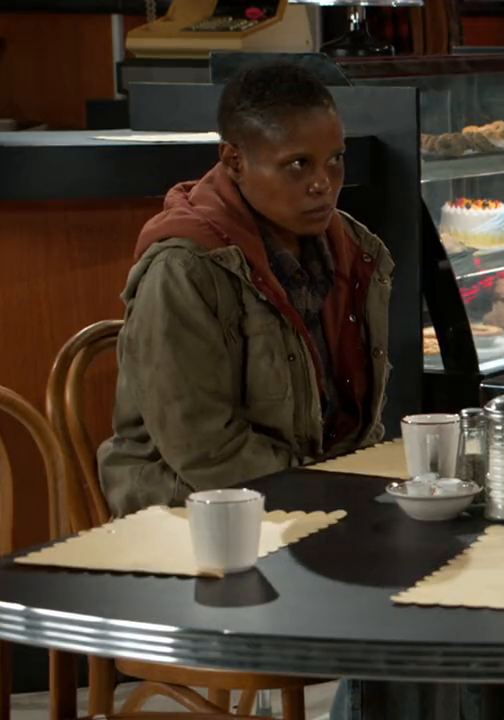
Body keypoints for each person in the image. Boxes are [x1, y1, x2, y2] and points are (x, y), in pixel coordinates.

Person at [98, 61, 393, 516]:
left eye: (335, 159)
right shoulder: (184, 270)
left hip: (315, 498)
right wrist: (327, 494)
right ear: (234, 161)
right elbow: (205, 449)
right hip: (189, 510)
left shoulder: (355, 247)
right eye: (298, 164)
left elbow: (356, 418)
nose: (323, 184)